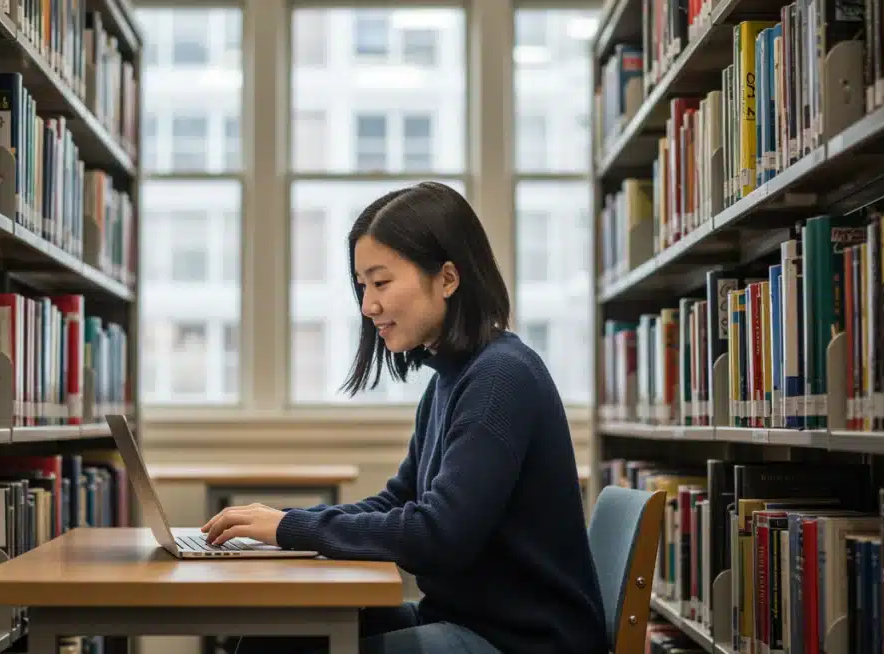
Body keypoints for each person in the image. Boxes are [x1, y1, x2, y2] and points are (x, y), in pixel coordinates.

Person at [200, 181, 607, 654]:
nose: (368, 305)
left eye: (382, 282)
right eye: (361, 286)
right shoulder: (449, 380)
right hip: (467, 621)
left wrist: (290, 529)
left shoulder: (501, 379)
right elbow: (397, 501)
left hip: (521, 642)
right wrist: (282, 523)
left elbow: (438, 535)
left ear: (448, 279)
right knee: (280, 640)